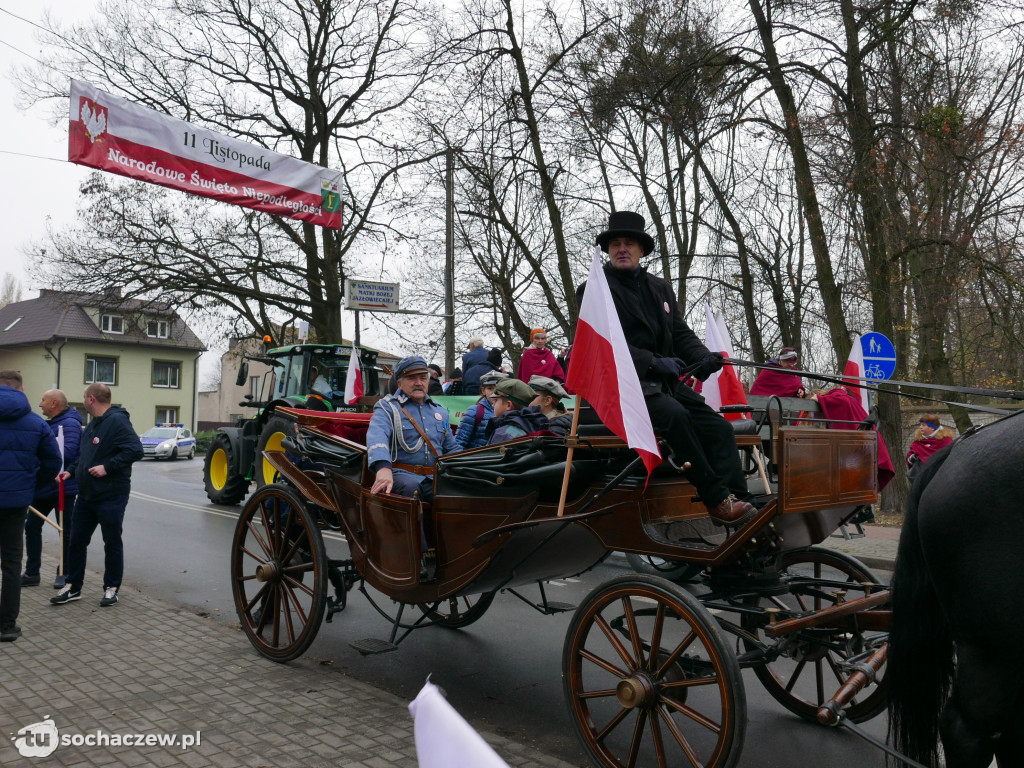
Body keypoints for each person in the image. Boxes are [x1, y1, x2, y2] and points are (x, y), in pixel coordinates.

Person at [578, 211, 755, 526]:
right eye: (615, 243)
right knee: (676, 416)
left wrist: (704, 356)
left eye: (629, 243)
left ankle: (742, 500)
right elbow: (601, 348)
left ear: (641, 250)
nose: (622, 249)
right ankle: (717, 500)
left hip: (665, 386)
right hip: (623, 388)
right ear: (607, 250)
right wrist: (652, 361)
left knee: (720, 428)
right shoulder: (593, 289)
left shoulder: (660, 288)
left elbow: (680, 333)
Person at [52, 383, 143, 607]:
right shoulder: (92, 425)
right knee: (76, 541)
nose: (82, 402)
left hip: (111, 493)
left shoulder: (117, 421)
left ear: (91, 399)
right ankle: (73, 586)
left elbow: (135, 450)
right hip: (86, 495)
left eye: (84, 398)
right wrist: (70, 472)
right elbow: (84, 456)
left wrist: (107, 467)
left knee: (111, 541)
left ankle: (111, 588)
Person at [0, 370, 62, 641]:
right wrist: (30, 485)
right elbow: (53, 461)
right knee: (12, 563)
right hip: (15, 502)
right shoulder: (36, 424)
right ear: (21, 391)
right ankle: (6, 626)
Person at [366, 355, 458, 502]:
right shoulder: (387, 407)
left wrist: (470, 467)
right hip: (402, 475)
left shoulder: (440, 412)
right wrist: (383, 468)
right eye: (412, 378)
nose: (418, 383)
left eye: (423, 378)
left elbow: (451, 448)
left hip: (435, 477)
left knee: (463, 490)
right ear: (400, 384)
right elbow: (377, 436)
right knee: (411, 487)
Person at [24, 389, 82, 589]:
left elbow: (66, 453)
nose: (40, 404)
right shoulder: (49, 424)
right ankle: (32, 572)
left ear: (54, 403)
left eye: (43, 400)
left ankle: (64, 572)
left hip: (62, 487)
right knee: (31, 527)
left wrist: (36, 457)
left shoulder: (70, 424)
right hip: (43, 486)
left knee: (65, 531)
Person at [486, 378, 551, 444]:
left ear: (508, 405)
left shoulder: (504, 434)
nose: (493, 405)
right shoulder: (533, 424)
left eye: (496, 401)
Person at [454, 370, 507, 450]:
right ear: (483, 391)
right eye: (490, 388)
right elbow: (459, 442)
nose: (494, 393)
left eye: (498, 388)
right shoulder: (474, 411)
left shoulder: (509, 410)